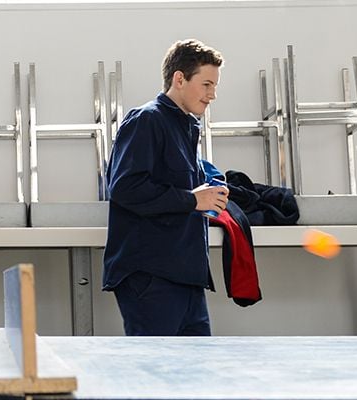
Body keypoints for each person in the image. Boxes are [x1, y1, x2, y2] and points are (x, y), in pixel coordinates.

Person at [102, 39, 232, 337]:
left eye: (215, 86)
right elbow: (125, 188)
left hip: (187, 278)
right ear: (179, 79)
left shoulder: (186, 127)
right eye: (206, 84)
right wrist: (192, 200)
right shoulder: (147, 120)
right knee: (156, 366)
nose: (212, 95)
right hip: (152, 279)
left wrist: (208, 197)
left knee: (197, 366)